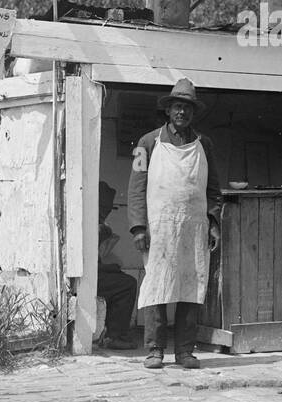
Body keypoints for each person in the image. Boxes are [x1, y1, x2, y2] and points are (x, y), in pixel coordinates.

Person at [127, 77, 221, 370]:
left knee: (190, 286)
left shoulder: (204, 144)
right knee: (158, 284)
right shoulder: (147, 143)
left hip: (194, 228)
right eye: (177, 107)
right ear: (168, 111)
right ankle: (155, 350)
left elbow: (214, 189)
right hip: (159, 228)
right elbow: (135, 188)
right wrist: (139, 227)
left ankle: (184, 351)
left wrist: (213, 222)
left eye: (188, 108)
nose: (182, 113)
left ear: (194, 113)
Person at [95, 181, 138, 350]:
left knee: (119, 279)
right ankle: (115, 335)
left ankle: (111, 333)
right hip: (84, 281)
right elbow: (89, 268)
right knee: (127, 284)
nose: (105, 213)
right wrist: (111, 268)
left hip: (90, 276)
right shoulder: (94, 226)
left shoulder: (95, 223)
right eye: (105, 208)